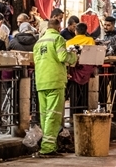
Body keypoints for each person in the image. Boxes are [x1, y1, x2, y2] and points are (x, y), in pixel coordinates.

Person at [33, 11, 77, 157]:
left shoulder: (38, 42)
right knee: (54, 115)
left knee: (45, 115)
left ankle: (46, 145)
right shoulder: (58, 38)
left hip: (41, 81)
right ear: (59, 28)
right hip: (55, 81)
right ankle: (48, 148)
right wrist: (73, 56)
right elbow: (63, 57)